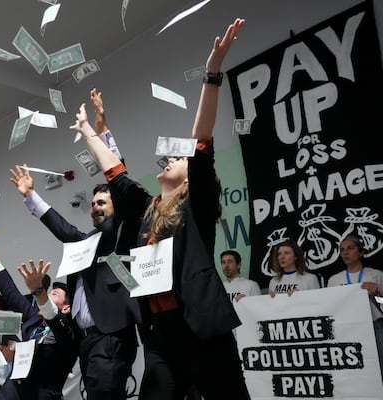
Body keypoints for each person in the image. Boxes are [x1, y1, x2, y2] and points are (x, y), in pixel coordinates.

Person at [70, 18, 250, 399]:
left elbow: (201, 139)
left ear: (190, 178)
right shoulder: (145, 208)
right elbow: (114, 172)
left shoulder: (195, 207)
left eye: (179, 160)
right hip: (159, 336)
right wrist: (88, 131)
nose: (171, 159)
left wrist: (212, 73)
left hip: (200, 329)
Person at [9, 90, 140, 400]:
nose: (95, 207)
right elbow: (61, 227)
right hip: (87, 342)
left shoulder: (118, 233)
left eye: (102, 202)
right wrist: (30, 196)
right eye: (93, 203)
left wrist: (101, 131)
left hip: (111, 336)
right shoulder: (86, 242)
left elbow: (120, 184)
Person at [0, 222, 77, 400]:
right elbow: (10, 292)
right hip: (9, 394)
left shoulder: (69, 332)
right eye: (49, 292)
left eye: (54, 294)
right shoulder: (33, 319)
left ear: (66, 307)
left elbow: (53, 318)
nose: (49, 295)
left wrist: (39, 292)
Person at [326, 235, 383, 378]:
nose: (345, 252)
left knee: (379, 369)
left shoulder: (376, 275)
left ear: (361, 252)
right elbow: (330, 309)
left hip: (374, 327)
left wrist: (377, 294)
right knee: (355, 374)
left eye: (350, 248)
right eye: (342, 250)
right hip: (347, 329)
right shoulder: (333, 280)